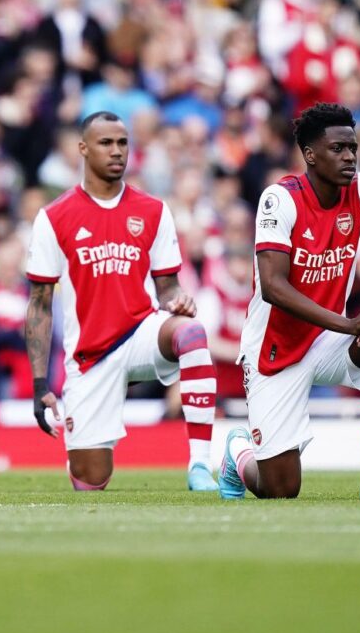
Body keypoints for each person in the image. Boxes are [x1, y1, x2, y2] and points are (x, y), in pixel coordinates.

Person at [219, 103, 360, 501]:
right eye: (338, 148)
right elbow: (273, 287)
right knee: (280, 489)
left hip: (326, 338)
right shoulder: (279, 198)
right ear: (310, 154)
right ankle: (237, 451)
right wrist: (349, 324)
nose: (350, 156)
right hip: (275, 347)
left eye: (353, 148)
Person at [24, 110, 220, 493]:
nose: (117, 151)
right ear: (83, 148)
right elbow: (40, 305)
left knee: (192, 334)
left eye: (122, 143)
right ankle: (80, 453)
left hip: (140, 331)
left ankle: (200, 464)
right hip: (90, 356)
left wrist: (178, 300)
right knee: (90, 479)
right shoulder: (55, 217)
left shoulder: (153, 210)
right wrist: (38, 382)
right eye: (106, 143)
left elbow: (167, 288)